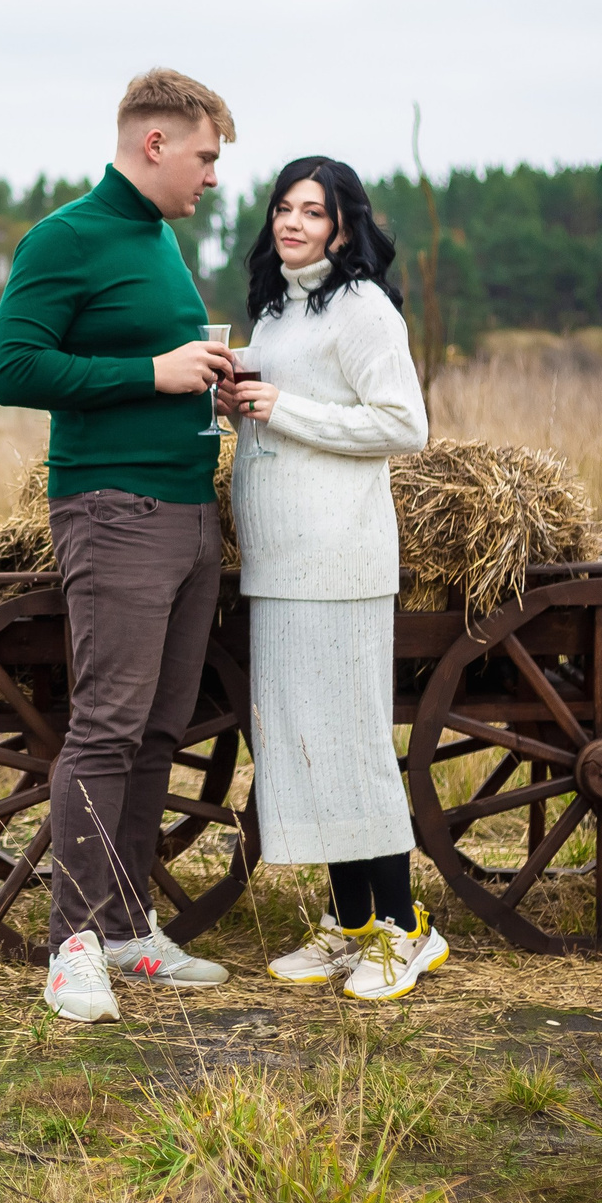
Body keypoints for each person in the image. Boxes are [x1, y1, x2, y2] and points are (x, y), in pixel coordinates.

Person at [0, 67, 239, 1023]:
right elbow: (13, 368)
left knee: (159, 732)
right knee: (105, 728)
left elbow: (156, 375)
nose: (212, 176)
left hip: (185, 515)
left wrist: (204, 382)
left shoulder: (159, 242)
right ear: (155, 144)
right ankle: (73, 948)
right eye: (206, 156)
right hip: (113, 511)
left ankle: (131, 930)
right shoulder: (66, 237)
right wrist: (152, 370)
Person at [225, 157, 446, 1001]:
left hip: (339, 561)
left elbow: (403, 423)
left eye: (311, 212)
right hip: (278, 562)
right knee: (303, 746)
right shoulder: (280, 310)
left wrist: (283, 407)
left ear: (344, 226)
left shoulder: (362, 308)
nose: (292, 222)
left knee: (351, 744)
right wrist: (240, 397)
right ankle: (349, 926)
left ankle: (403, 929)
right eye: (283, 207)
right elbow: (284, 398)